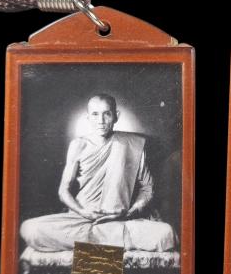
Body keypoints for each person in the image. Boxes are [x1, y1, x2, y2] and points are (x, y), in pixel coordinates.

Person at [20, 93, 175, 252]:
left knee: (166, 234)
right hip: (82, 219)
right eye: (95, 114)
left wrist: (130, 212)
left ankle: (93, 247)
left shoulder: (132, 144)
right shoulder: (78, 145)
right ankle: (109, 246)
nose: (101, 120)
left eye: (107, 114)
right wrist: (83, 212)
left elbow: (147, 188)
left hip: (119, 220)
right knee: (30, 229)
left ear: (116, 116)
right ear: (88, 118)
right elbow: (63, 191)